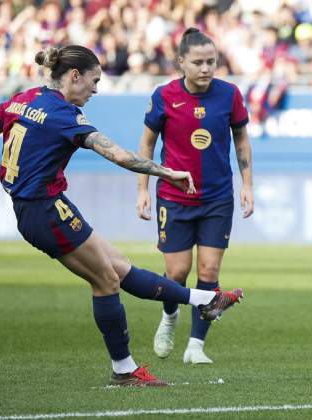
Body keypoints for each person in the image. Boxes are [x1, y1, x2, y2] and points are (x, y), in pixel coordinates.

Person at [0, 45, 244, 387]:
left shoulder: (23, 98)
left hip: (42, 207)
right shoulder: (65, 115)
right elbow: (120, 156)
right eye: (94, 81)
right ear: (74, 76)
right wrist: (168, 173)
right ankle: (124, 369)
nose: (95, 90)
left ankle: (207, 300)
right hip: (44, 211)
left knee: (119, 267)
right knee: (106, 281)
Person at [136, 28, 254, 364]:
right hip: (174, 197)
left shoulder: (229, 94)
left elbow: (242, 141)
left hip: (217, 197)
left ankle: (195, 347)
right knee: (176, 273)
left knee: (209, 269)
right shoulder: (164, 96)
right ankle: (170, 316)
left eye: (211, 62)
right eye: (198, 62)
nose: (206, 68)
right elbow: (146, 145)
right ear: (181, 63)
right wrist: (142, 188)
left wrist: (246, 184)